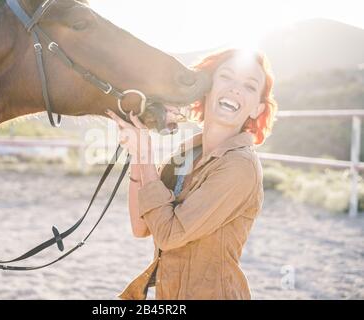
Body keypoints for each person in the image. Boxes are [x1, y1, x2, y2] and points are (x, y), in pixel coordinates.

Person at [106, 47, 278, 300]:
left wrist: (145, 154)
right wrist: (136, 150)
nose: (235, 89)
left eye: (250, 86)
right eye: (226, 77)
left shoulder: (240, 167)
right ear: (206, 88)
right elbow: (141, 226)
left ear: (257, 110)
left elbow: (168, 234)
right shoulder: (188, 153)